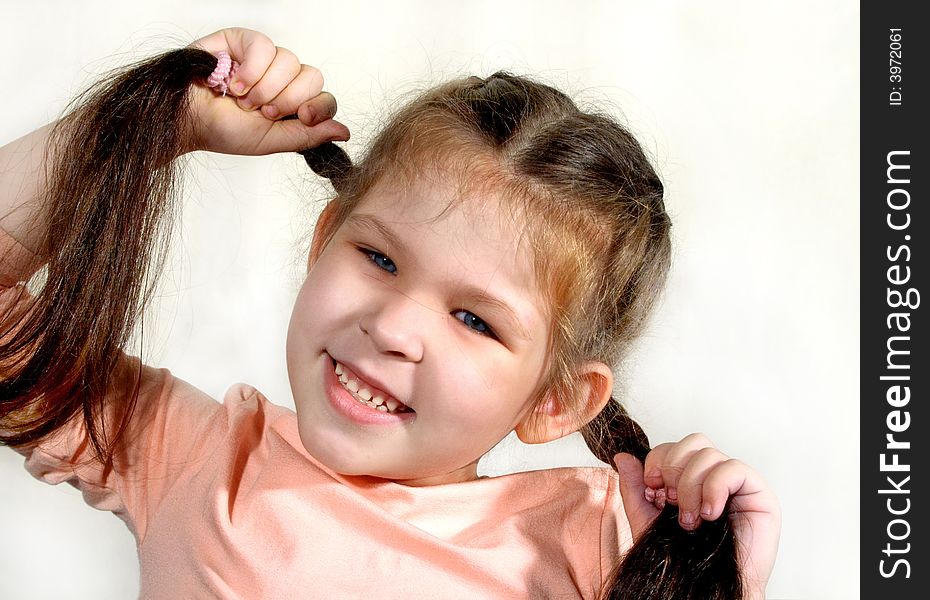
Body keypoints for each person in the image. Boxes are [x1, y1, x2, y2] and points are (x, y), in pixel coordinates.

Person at [0, 27, 780, 599]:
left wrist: (713, 575)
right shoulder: (197, 457)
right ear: (325, 242)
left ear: (555, 399)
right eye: (378, 259)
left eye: (475, 320)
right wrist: (160, 126)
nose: (393, 327)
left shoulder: (595, 545)